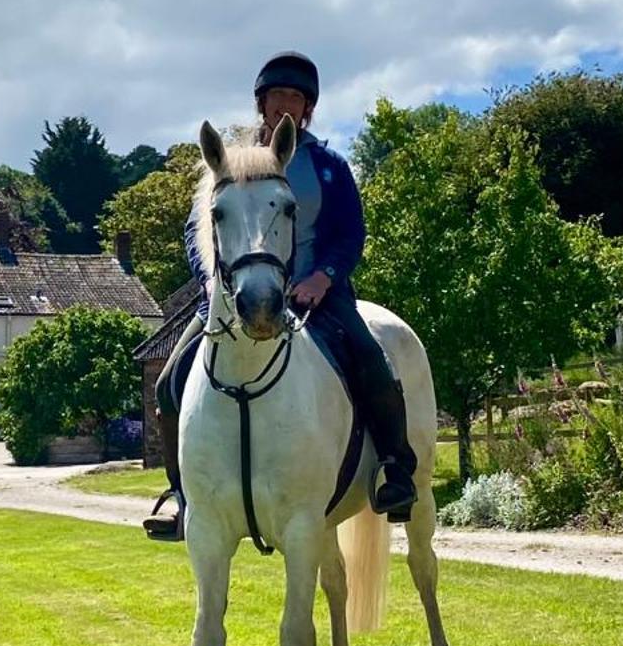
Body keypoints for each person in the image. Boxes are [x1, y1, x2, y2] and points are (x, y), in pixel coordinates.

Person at [143, 51, 418, 541]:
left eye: (296, 96)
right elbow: (197, 228)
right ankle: (183, 494)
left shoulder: (328, 166)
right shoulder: (230, 163)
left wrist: (323, 277)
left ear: (308, 107)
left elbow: (350, 234)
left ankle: (394, 469)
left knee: (370, 357)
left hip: (316, 293)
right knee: (169, 380)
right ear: (262, 103)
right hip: (234, 295)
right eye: (277, 96)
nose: (285, 105)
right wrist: (209, 279)